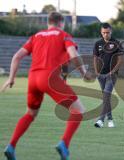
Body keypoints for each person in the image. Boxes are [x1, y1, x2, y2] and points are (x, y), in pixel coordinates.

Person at [0, 12, 92, 160]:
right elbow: (73, 54)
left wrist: (11, 78)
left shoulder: (36, 36)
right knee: (78, 110)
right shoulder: (63, 35)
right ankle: (64, 144)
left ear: (48, 23)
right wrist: (84, 73)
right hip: (49, 78)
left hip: (33, 79)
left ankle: (11, 146)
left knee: (30, 114)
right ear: (61, 23)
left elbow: (16, 56)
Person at [93, 23, 124, 128]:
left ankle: (100, 120)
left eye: (107, 32)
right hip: (100, 75)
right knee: (106, 98)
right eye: (103, 33)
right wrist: (96, 72)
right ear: (101, 33)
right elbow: (95, 58)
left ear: (111, 32)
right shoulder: (98, 44)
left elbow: (120, 60)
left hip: (112, 75)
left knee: (106, 95)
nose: (105, 35)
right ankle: (110, 119)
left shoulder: (116, 43)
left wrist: (113, 71)